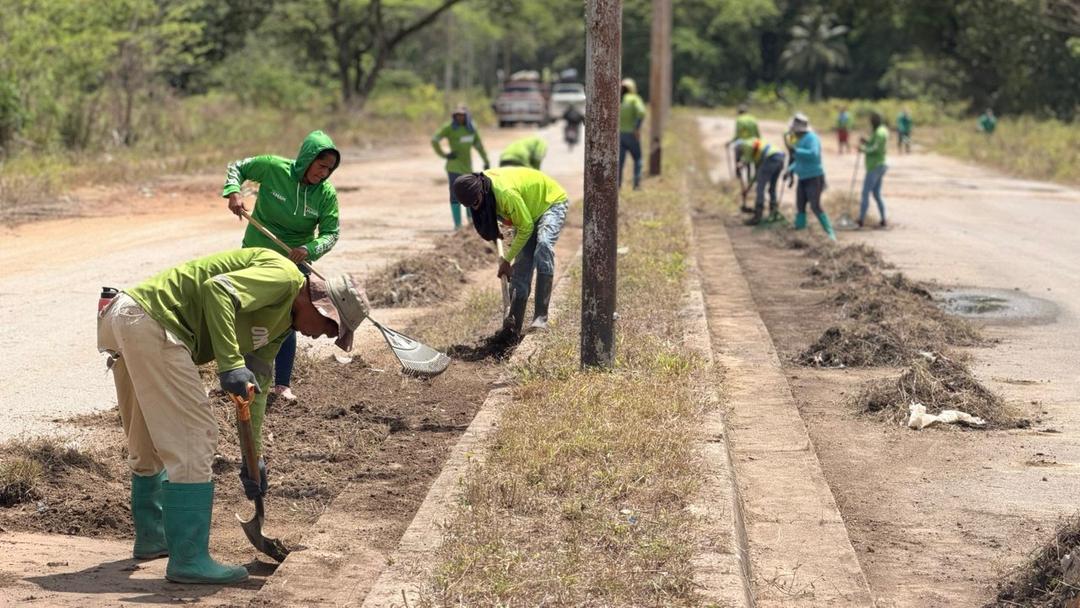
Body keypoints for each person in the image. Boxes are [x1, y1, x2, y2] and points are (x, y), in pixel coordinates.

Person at [97, 249, 369, 584]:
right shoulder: (284, 277)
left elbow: (253, 390)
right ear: (319, 303)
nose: (325, 336)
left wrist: (253, 456)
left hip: (128, 317)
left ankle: (153, 537)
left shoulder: (280, 326)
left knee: (147, 436)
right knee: (195, 437)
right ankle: (189, 560)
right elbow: (217, 291)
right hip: (154, 323)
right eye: (331, 327)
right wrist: (230, 363)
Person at [223, 130, 341, 404]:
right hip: (257, 252)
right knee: (246, 312)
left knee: (287, 319)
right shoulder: (274, 168)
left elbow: (331, 233)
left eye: (329, 169)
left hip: (293, 261)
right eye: (321, 165)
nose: (324, 173)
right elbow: (237, 167)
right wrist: (233, 192)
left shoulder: (325, 194)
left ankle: (282, 385)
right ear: (307, 159)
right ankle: (237, 379)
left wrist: (308, 250)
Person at [452, 167, 569, 335]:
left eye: (475, 203)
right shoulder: (482, 188)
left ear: (481, 192)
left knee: (543, 246)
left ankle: (540, 318)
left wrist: (507, 260)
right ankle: (513, 326)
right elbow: (511, 221)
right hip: (526, 212)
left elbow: (526, 227)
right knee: (522, 267)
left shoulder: (505, 194)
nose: (475, 208)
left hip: (550, 203)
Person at [432, 104, 490, 229]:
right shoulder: (450, 128)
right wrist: (444, 154)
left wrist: (486, 160)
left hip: (467, 168)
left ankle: (470, 222)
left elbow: (479, 146)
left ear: (467, 116)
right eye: (457, 115)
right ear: (454, 116)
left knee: (470, 194)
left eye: (462, 115)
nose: (460, 117)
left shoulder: (471, 129)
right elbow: (435, 140)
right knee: (455, 195)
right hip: (453, 167)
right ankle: (457, 225)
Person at [784, 113, 836, 241]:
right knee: (800, 205)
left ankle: (830, 234)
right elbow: (799, 161)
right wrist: (789, 170)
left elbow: (813, 154)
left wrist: (795, 150)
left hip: (814, 177)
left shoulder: (812, 138)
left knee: (815, 206)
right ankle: (799, 234)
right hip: (802, 178)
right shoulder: (799, 140)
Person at [735, 138, 786, 225]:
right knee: (772, 188)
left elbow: (747, 163)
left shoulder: (745, 145)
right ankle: (773, 213)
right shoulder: (754, 146)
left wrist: (740, 165)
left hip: (771, 158)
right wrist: (748, 188)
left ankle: (757, 216)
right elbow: (757, 173)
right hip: (780, 157)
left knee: (760, 188)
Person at [858, 112, 889, 228]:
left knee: (865, 192)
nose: (870, 123)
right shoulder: (880, 131)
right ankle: (883, 219)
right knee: (876, 194)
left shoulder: (880, 132)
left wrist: (863, 149)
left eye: (872, 121)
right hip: (879, 164)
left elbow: (876, 148)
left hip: (875, 165)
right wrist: (866, 142)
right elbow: (874, 144)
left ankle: (861, 220)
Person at [618, 78, 646, 190]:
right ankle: (636, 184)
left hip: (619, 135)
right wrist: (637, 128)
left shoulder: (617, 99)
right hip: (631, 135)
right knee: (638, 159)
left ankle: (617, 185)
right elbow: (641, 112)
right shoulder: (634, 99)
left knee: (619, 162)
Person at [727, 104, 761, 192]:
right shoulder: (753, 118)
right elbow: (758, 134)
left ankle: (739, 177)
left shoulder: (739, 119)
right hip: (754, 143)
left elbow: (737, 135)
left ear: (739, 112)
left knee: (738, 159)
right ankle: (750, 181)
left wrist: (730, 142)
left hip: (742, 143)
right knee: (750, 162)